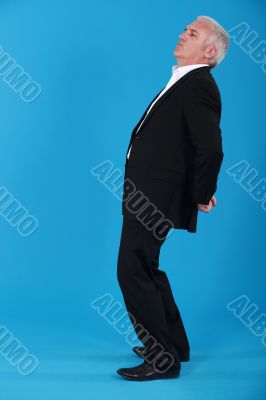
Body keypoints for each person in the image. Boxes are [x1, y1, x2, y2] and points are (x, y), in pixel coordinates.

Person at [116, 15, 229, 381]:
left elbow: (210, 147)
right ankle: (175, 345)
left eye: (192, 34)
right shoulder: (184, 80)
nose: (182, 35)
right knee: (145, 266)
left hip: (155, 196)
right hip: (147, 192)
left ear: (209, 51)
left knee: (132, 269)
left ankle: (162, 358)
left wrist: (202, 193)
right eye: (185, 30)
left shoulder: (199, 85)